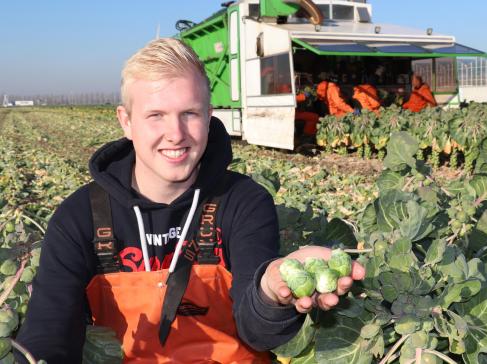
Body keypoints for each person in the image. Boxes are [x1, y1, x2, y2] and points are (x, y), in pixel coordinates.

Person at [16, 38, 364, 363]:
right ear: (126, 121)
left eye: (190, 114)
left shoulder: (242, 201)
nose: (176, 134)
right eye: (156, 115)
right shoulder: (81, 217)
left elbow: (257, 332)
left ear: (209, 116)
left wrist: (271, 291)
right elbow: (49, 330)